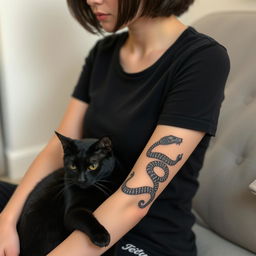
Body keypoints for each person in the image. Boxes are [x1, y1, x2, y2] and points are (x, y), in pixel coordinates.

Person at [0, 0, 230, 255]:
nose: (91, 0)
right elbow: (59, 147)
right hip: (80, 209)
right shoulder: (104, 51)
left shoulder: (202, 59)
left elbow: (134, 200)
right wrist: (7, 219)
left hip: (144, 235)